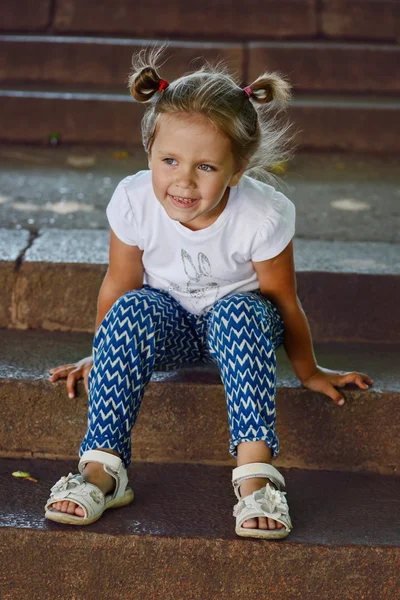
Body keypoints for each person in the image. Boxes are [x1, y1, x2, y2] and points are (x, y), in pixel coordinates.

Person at [45, 45, 372, 538]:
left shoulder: (262, 214)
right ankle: (102, 470)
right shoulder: (135, 200)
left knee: (239, 311)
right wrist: (104, 354)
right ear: (149, 152)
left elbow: (282, 299)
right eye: (169, 160)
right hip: (168, 328)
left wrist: (307, 370)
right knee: (133, 306)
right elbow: (119, 284)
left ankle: (256, 476)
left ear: (236, 171)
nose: (182, 181)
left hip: (241, 333)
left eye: (206, 167)